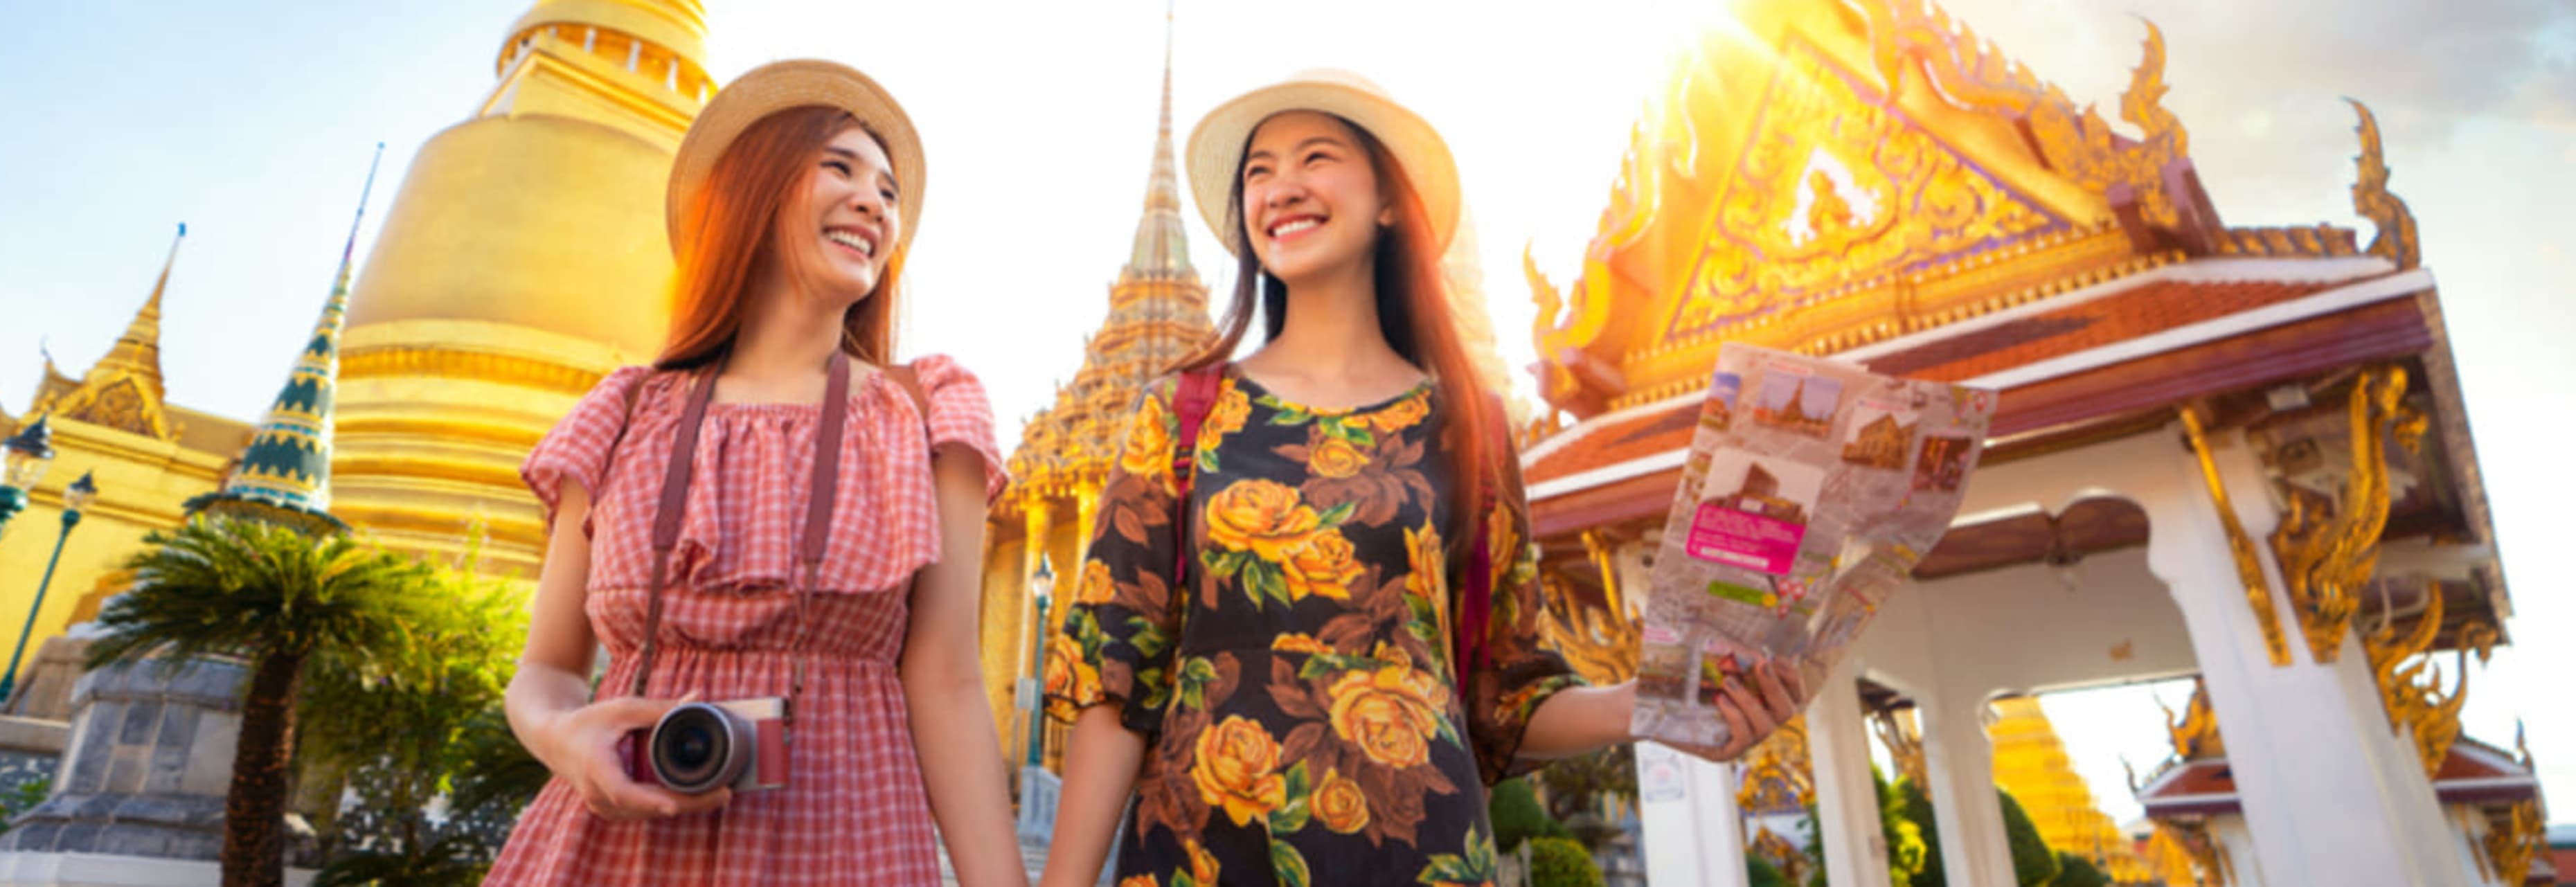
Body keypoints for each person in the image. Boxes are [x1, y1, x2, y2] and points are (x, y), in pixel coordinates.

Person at [1037, 70, 1807, 887]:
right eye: (1258, 171)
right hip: (1204, 856)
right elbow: (1115, 681)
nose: (1280, 187)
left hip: (1419, 859)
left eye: (1316, 158)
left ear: (1391, 202)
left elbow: (1503, 694)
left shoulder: (1469, 430)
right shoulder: (1183, 414)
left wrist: (1652, 705)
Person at [487, 60, 1026, 886]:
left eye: (889, 193)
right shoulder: (624, 413)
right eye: (840, 169)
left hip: (844, 842)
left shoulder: (926, 412)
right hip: (613, 845)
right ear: (754, 191)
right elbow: (548, 668)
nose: (873, 203)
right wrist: (564, 737)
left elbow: (949, 679)